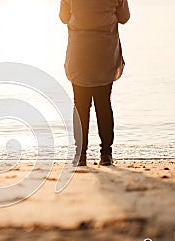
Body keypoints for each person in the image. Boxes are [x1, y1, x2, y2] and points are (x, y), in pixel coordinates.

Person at [60, 0, 130, 166]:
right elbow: (124, 18)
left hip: (80, 52)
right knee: (104, 103)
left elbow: (63, 18)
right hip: (104, 51)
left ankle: (80, 155)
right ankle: (106, 154)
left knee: (80, 105)